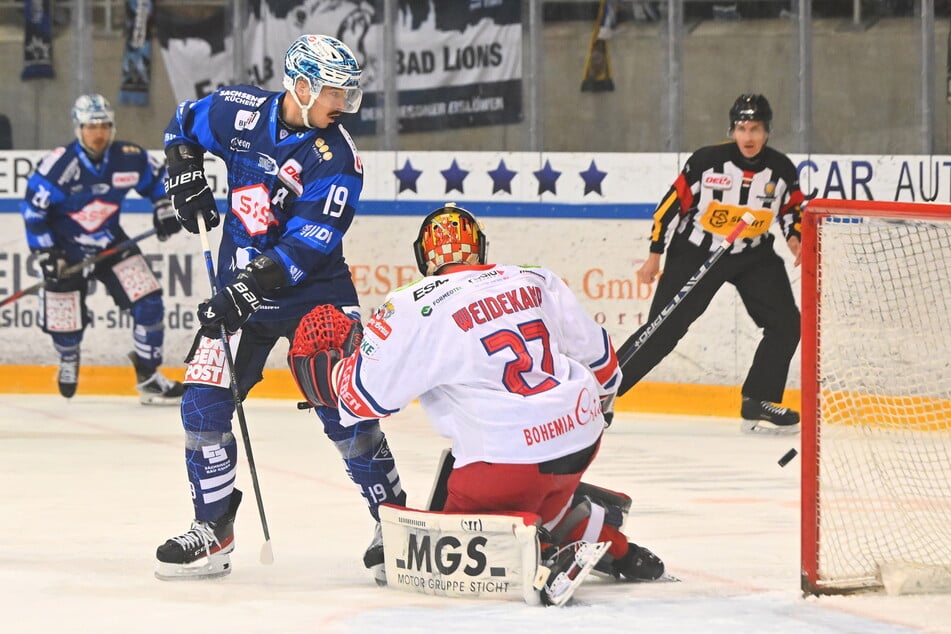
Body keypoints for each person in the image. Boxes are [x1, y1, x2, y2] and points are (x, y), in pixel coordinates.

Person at [289, 203, 665, 595]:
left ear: (424, 257)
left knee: (434, 549)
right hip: (581, 443)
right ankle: (604, 538)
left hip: (504, 466)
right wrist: (598, 411)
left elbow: (364, 399)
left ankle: (539, 547)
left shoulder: (412, 304)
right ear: (479, 248)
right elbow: (604, 363)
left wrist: (330, 371)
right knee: (511, 478)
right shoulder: (534, 278)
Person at [153, 34, 406, 581]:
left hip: (313, 295)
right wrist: (185, 173)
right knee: (201, 405)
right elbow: (181, 124)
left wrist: (245, 290)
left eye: (347, 92)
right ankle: (213, 529)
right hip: (237, 292)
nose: (344, 104)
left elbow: (307, 245)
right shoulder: (235, 111)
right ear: (302, 84)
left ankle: (395, 523)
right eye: (335, 92)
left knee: (346, 411)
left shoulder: (337, 156)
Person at [616, 94, 803, 434]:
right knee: (663, 328)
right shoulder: (707, 162)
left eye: (756, 129)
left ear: (767, 132)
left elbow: (791, 210)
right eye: (742, 128)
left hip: (754, 253)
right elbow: (670, 207)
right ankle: (600, 396)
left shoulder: (781, 169)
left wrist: (796, 239)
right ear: (732, 130)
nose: (749, 137)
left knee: (786, 323)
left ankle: (758, 398)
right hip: (698, 250)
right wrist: (654, 255)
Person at [20, 94, 184, 404]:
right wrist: (45, 253)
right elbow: (33, 211)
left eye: (104, 125)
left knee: (148, 301)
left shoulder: (129, 156)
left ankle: (148, 376)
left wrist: (164, 207)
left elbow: (160, 178)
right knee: (63, 319)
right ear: (78, 129)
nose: (98, 133)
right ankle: (68, 357)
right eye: (91, 126)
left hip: (110, 241)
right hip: (64, 250)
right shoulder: (59, 166)